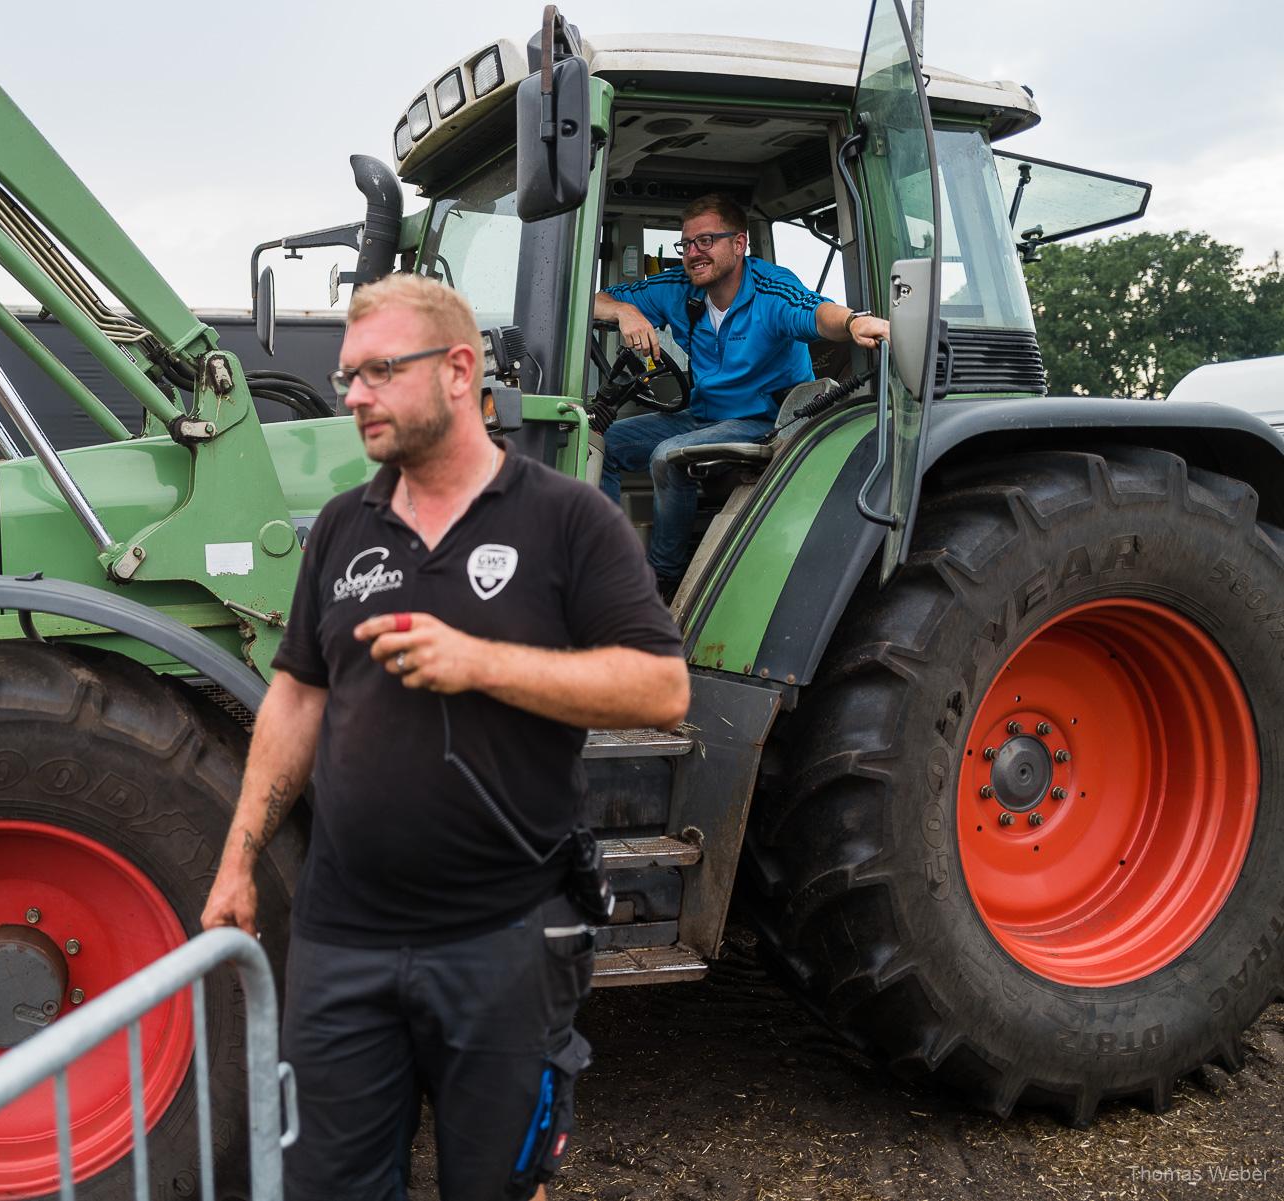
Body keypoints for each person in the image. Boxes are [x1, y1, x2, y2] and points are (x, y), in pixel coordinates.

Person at [200, 273, 691, 1201]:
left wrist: (481, 662)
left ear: (460, 371)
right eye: (349, 376)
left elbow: (662, 687)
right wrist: (237, 857)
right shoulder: (345, 526)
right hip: (344, 936)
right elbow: (298, 695)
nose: (353, 395)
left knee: (496, 1187)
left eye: (379, 371)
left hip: (504, 936)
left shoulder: (568, 519)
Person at [593, 194, 891, 599]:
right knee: (599, 444)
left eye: (707, 241)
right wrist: (626, 313)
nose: (694, 253)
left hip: (767, 422)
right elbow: (594, 301)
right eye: (687, 244)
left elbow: (816, 311)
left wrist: (855, 321)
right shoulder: (677, 288)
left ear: (739, 243)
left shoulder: (770, 288)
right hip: (704, 416)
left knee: (668, 455)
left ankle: (661, 580)